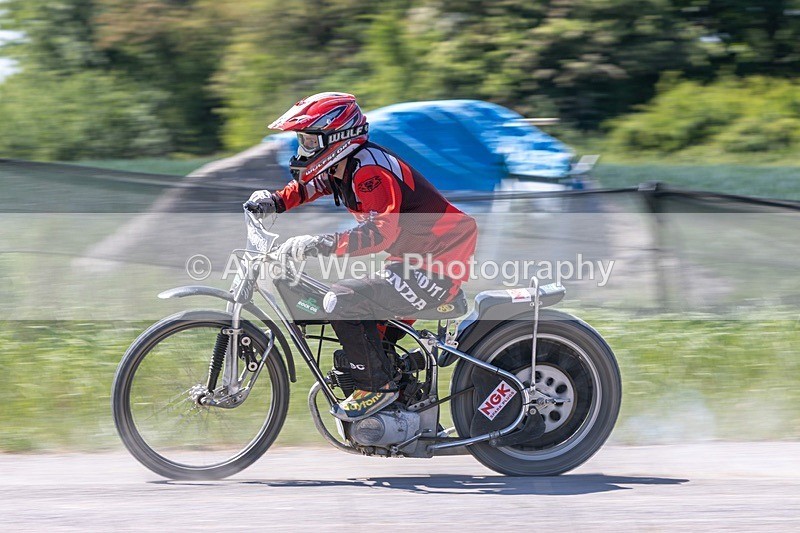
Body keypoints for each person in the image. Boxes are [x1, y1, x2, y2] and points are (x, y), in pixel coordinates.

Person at [245, 92, 477, 421]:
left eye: (309, 141)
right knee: (368, 343)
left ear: (336, 137)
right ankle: (396, 399)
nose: (303, 150)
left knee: (341, 301)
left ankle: (379, 390)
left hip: (438, 261)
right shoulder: (344, 165)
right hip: (412, 259)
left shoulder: (370, 172)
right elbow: (309, 186)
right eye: (302, 140)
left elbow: (379, 235)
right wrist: (274, 201)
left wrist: (315, 244)